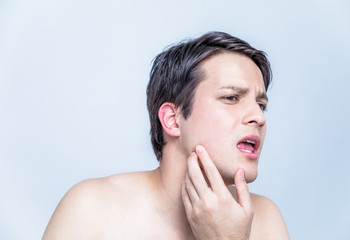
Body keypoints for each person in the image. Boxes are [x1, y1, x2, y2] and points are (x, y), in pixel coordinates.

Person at [43, 31, 290, 239]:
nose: (259, 117)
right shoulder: (92, 209)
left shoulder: (266, 219)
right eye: (231, 98)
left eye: (261, 104)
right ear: (172, 120)